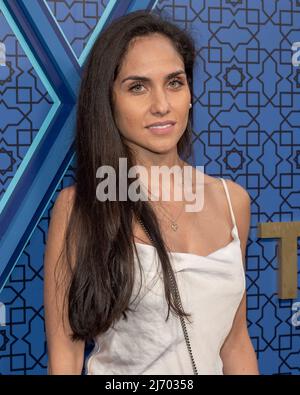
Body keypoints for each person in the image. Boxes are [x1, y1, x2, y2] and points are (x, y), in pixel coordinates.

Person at [44, 10, 259, 375]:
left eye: (174, 82)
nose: (162, 104)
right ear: (108, 100)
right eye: (137, 87)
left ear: (190, 93)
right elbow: (65, 359)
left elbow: (235, 343)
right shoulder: (80, 207)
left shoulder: (231, 200)